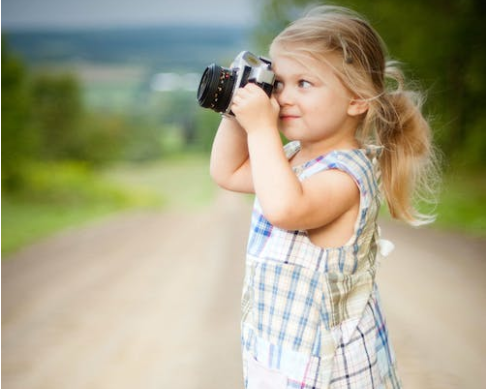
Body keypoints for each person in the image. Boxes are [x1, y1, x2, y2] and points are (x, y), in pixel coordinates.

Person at [210, 5, 438, 389]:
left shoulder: (347, 175)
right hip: (280, 357)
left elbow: (285, 208)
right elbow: (227, 173)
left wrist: (262, 127)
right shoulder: (290, 156)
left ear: (356, 100)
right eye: (278, 82)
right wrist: (236, 112)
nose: (283, 97)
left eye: (304, 84)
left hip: (332, 373)